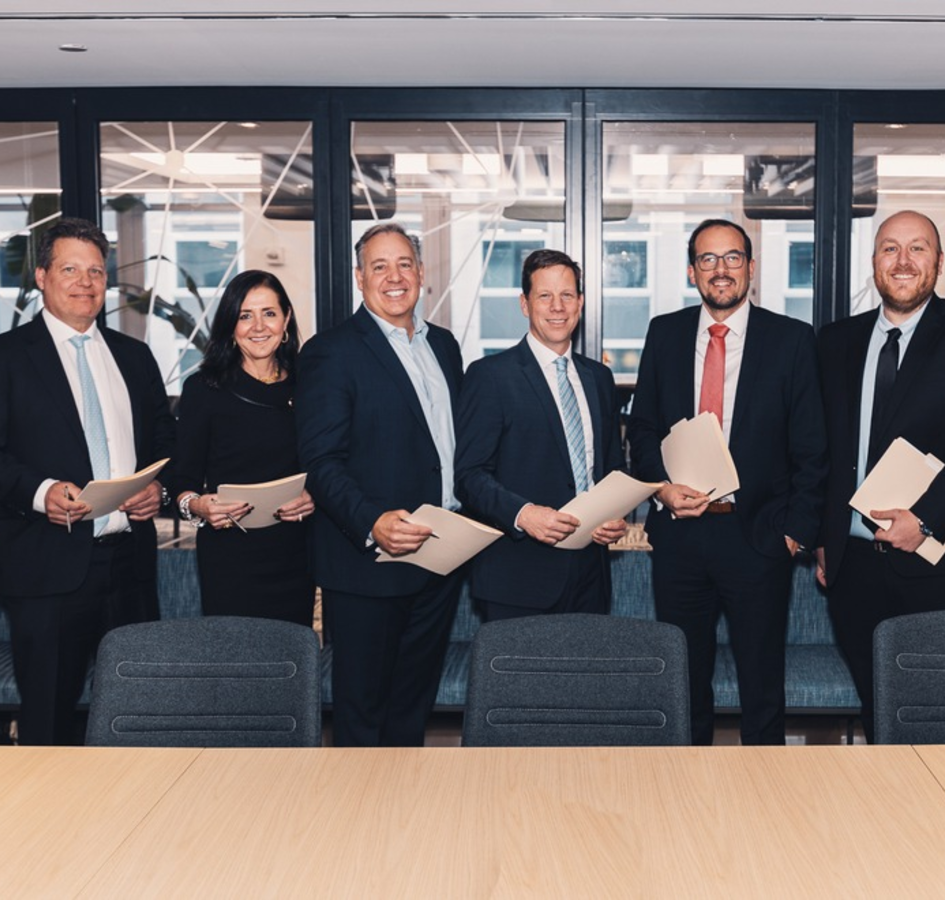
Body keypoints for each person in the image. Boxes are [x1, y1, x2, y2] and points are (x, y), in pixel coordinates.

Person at [627, 218, 827, 745]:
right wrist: (660, 487)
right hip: (680, 535)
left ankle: (762, 791)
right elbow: (642, 429)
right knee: (684, 683)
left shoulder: (791, 340)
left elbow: (812, 447)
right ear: (691, 271)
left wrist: (794, 533)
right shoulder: (664, 333)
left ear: (751, 268)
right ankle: (689, 785)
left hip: (758, 536)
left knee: (762, 687)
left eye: (733, 257)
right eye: (708, 259)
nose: (721, 269)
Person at [815, 210, 945, 742]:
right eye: (890, 249)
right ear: (873, 262)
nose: (903, 261)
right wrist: (823, 536)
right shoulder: (835, 341)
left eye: (917, 248)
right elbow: (824, 450)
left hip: (940, 560)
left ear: (939, 262)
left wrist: (923, 520)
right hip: (852, 564)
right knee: (877, 708)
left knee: (938, 713)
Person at [0, 217, 175, 745]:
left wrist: (159, 490)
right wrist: (40, 493)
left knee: (139, 719)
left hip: (130, 567)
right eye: (70, 269)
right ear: (41, 276)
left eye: (95, 271)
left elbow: (165, 442)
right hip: (48, 569)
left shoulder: (135, 356)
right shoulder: (7, 357)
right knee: (49, 726)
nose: (85, 282)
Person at [295, 222, 463, 747]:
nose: (395, 277)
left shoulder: (445, 346)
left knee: (412, 709)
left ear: (421, 273)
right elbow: (320, 461)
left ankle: (405, 798)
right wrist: (371, 521)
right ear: (359, 278)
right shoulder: (331, 351)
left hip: (440, 557)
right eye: (380, 266)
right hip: (368, 564)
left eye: (404, 264)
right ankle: (357, 803)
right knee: (362, 717)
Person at [455, 250, 626, 622]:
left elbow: (613, 468)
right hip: (517, 577)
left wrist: (615, 515)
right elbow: (469, 477)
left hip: (591, 576)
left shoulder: (599, 378)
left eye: (567, 295)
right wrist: (523, 514)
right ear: (524, 304)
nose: (557, 307)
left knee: (588, 662)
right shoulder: (489, 376)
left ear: (580, 302)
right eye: (544, 296)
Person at [165, 270, 316, 626]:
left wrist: (315, 496)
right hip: (229, 556)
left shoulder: (310, 384)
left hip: (296, 553)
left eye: (269, 313)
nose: (258, 327)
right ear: (230, 324)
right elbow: (182, 478)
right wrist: (197, 505)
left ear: (286, 319)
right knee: (234, 655)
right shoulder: (204, 388)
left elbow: (327, 462)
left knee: (292, 654)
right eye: (245, 315)